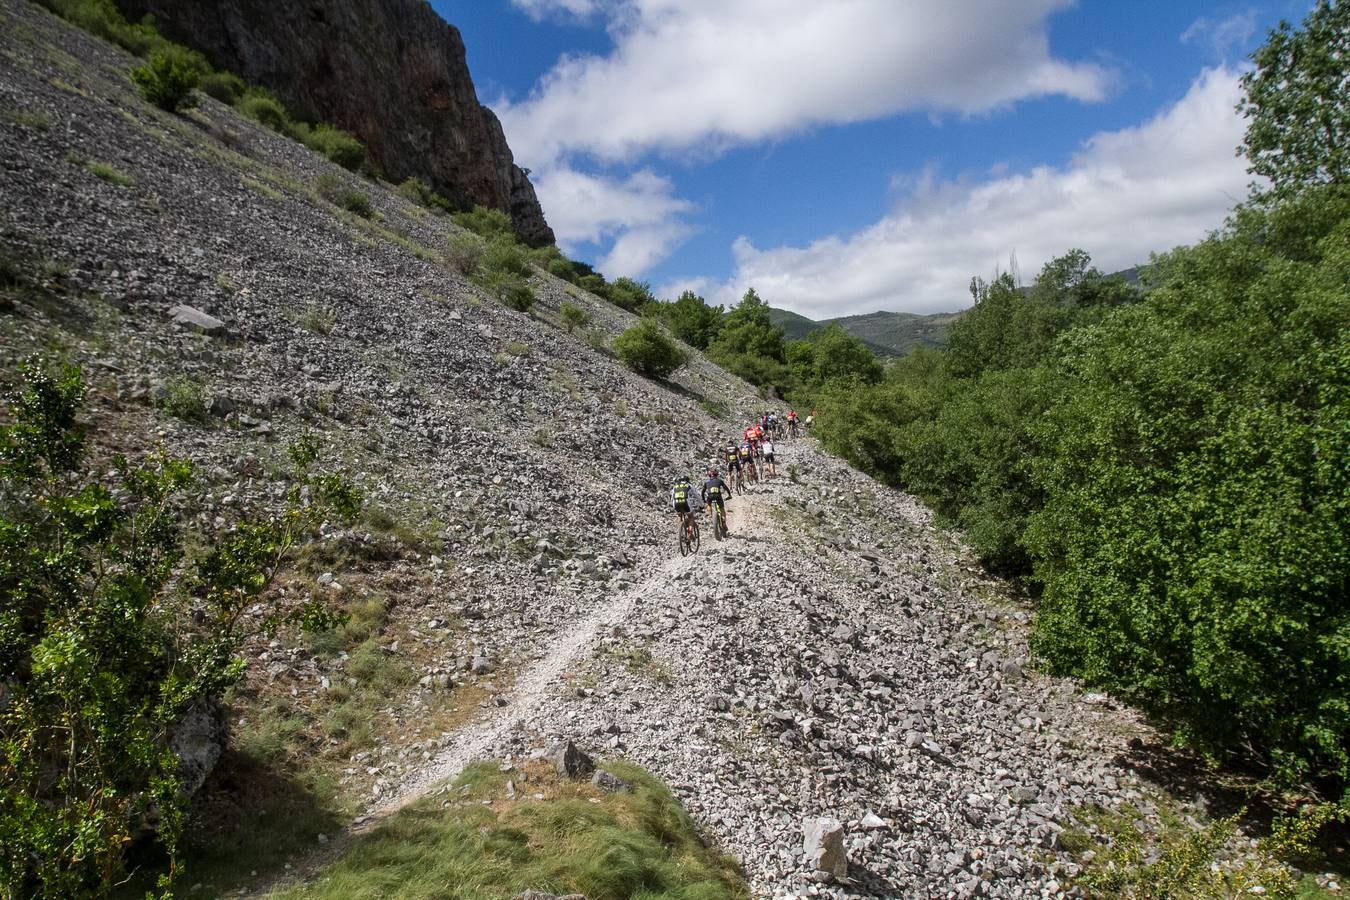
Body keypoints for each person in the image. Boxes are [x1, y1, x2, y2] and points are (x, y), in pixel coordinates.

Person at [702, 468, 732, 534]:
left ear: (709, 476)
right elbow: (726, 488)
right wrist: (729, 495)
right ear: (717, 475)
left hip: (710, 497)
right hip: (718, 496)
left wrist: (703, 499)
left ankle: (711, 516)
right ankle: (723, 520)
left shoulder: (706, 482)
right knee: (722, 509)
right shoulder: (719, 481)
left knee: (709, 504)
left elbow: (703, 492)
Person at [670, 474, 698, 539]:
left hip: (676, 503)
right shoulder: (689, 485)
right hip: (685, 503)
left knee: (679, 515)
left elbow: (672, 498)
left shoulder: (675, 487)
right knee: (691, 516)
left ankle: (681, 531)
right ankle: (690, 531)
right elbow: (697, 495)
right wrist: (702, 504)